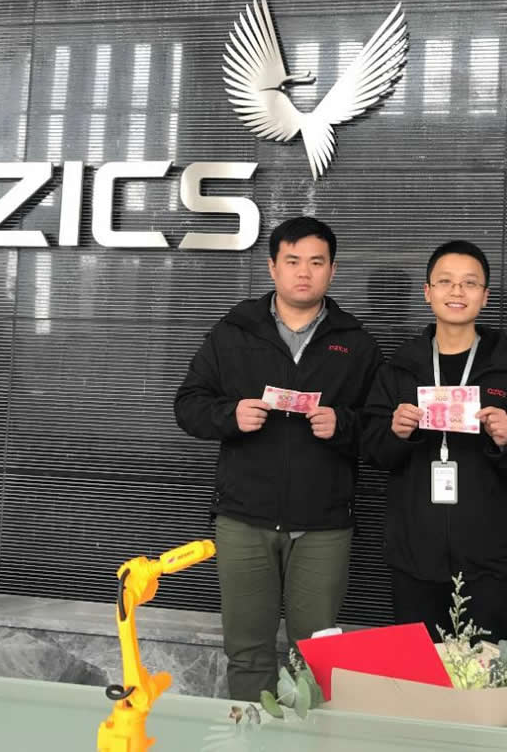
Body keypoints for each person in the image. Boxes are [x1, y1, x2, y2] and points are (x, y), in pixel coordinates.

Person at [174, 216, 382, 701]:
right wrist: (230, 415)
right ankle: (249, 734)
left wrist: (343, 424)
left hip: (323, 523)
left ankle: (309, 736)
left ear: (332, 270)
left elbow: (381, 428)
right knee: (247, 651)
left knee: (316, 656)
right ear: (272, 267)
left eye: (316, 262)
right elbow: (187, 405)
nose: (303, 272)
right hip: (244, 518)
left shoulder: (356, 343)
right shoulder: (233, 331)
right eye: (292, 261)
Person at [362, 240, 507, 641]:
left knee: (483, 671)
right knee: (420, 671)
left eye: (469, 283)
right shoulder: (399, 368)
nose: (457, 291)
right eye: (445, 281)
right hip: (414, 557)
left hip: (489, 562)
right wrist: (396, 434)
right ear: (427, 292)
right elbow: (372, 451)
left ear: (485, 296)